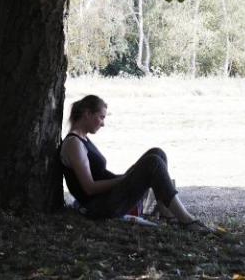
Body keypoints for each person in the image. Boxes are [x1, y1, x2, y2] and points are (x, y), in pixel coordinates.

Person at [59, 94, 212, 231]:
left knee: (157, 153)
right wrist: (124, 179)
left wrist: (126, 178)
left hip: (107, 198)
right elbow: (89, 188)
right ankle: (187, 221)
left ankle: (167, 213)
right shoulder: (74, 143)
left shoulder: (83, 139)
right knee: (153, 162)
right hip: (98, 206)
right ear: (87, 114)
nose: (103, 123)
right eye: (101, 117)